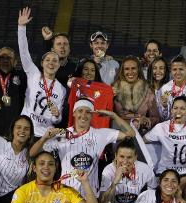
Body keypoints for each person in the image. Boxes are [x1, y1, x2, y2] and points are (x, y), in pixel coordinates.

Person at [29, 99, 135, 203]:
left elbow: (131, 134)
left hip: (89, 197)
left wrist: (113, 115)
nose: (83, 115)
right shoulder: (62, 134)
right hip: (65, 197)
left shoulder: (100, 134)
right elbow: (32, 153)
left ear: (92, 115)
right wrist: (45, 137)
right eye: (80, 111)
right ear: (74, 113)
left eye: (87, 112)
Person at [17, 7, 65, 138]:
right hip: (26, 131)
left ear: (59, 65)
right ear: (42, 63)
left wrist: (57, 115)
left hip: (46, 137)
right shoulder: (34, 74)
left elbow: (57, 121)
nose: (51, 62)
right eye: (48, 60)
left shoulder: (61, 89)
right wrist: (21, 27)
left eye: (55, 60)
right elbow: (24, 53)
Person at [144, 96, 186, 181]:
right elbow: (143, 140)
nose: (178, 111)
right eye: (175, 108)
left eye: (182, 108)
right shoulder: (161, 127)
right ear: (171, 110)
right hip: (164, 170)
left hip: (185, 171)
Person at [113, 56, 160, 132]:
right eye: (127, 69)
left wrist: (146, 120)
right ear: (122, 71)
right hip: (120, 132)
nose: (130, 72)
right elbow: (109, 116)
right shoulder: (114, 89)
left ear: (138, 70)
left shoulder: (148, 90)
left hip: (141, 132)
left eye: (133, 68)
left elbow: (155, 117)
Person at [41, 27, 77, 128]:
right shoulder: (44, 66)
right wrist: (47, 41)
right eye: (59, 44)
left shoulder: (75, 68)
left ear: (69, 48)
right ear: (52, 49)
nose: (62, 47)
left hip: (64, 118)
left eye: (65, 44)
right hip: (42, 115)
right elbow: (42, 58)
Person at [67, 58, 114, 129]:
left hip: (96, 133)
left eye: (93, 70)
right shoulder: (74, 85)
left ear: (96, 73)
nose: (89, 72)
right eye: (86, 69)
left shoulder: (105, 90)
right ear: (81, 70)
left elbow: (108, 114)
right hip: (77, 130)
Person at [156, 56, 186, 121]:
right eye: (174, 69)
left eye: (181, 69)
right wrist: (164, 106)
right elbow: (163, 118)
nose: (178, 72)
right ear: (171, 71)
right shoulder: (165, 89)